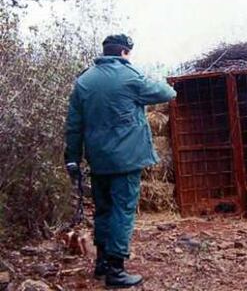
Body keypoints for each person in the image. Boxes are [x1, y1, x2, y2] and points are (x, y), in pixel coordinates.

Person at [64, 34, 176, 288]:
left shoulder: (83, 81)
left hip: (98, 160)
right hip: (126, 161)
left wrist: (72, 159)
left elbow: (73, 126)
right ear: (124, 53)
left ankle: (101, 263)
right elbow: (168, 92)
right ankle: (116, 270)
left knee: (103, 210)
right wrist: (139, 73)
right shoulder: (130, 76)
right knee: (122, 212)